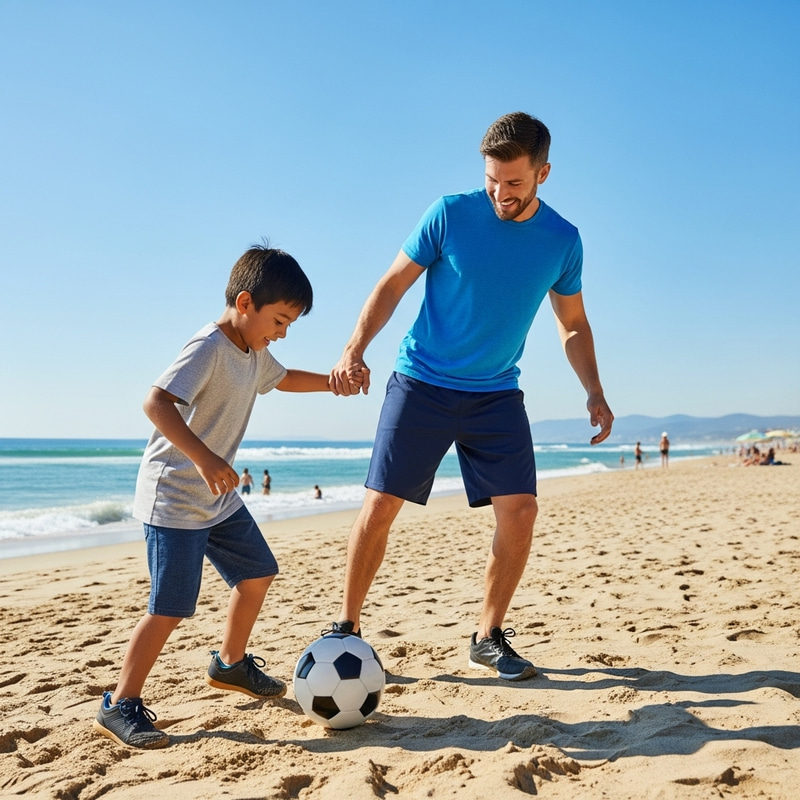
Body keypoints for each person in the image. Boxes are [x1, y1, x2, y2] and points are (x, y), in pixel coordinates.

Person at [327, 112, 613, 682]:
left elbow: (573, 323)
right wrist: (354, 348)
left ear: (543, 174)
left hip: (495, 394)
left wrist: (595, 392)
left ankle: (487, 635)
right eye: (492, 180)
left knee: (522, 510)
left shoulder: (562, 240)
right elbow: (391, 284)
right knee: (381, 503)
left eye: (513, 183)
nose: (500, 194)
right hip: (422, 381)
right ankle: (346, 628)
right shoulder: (450, 213)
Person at [94, 243, 360, 749]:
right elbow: (156, 402)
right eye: (278, 321)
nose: (280, 334)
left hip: (216, 499)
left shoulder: (253, 351)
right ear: (245, 302)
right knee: (170, 608)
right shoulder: (208, 347)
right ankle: (120, 702)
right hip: (174, 498)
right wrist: (206, 458)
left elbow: (282, 381)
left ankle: (231, 664)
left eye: (288, 326)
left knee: (258, 573)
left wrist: (332, 383)